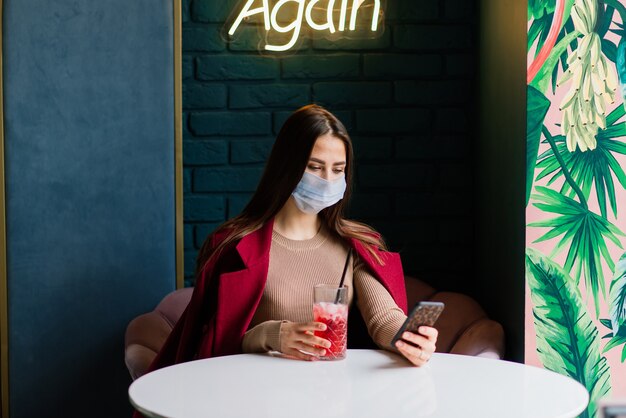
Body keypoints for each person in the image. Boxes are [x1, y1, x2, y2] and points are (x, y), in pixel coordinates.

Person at [150, 104, 438, 372]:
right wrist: (272, 334)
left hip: (335, 398)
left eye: (338, 170)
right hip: (254, 399)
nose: (327, 179)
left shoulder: (355, 244)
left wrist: (410, 338)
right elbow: (212, 343)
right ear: (286, 167)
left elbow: (384, 318)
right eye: (314, 167)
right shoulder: (234, 246)